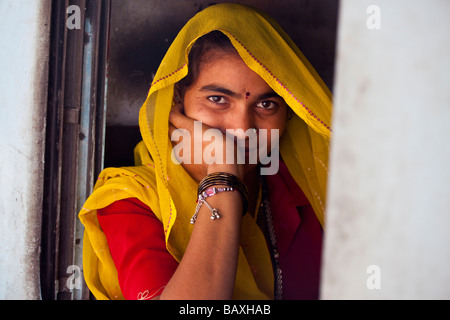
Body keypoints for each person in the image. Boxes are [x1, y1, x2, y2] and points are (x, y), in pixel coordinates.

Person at [79, 3, 332, 300]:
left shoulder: (308, 191)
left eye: (266, 104)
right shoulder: (132, 201)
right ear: (176, 103)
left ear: (289, 112)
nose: (241, 127)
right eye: (217, 99)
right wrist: (222, 178)